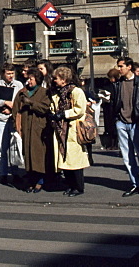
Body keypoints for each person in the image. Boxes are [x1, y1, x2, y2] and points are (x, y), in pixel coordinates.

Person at [111, 56, 139, 198]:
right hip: (122, 122)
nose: (119, 69)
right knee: (127, 156)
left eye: (121, 66)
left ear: (129, 67)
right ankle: (136, 183)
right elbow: (115, 102)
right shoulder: (118, 84)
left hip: (137, 123)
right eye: (119, 66)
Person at [49, 66, 89, 197]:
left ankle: (78, 187)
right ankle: (70, 185)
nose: (54, 80)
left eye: (56, 78)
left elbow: (80, 109)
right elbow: (53, 107)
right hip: (61, 130)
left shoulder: (76, 91)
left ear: (64, 79)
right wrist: (53, 114)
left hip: (72, 129)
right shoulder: (57, 93)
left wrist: (63, 114)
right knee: (65, 159)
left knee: (75, 161)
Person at [14, 69, 52, 193]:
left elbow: (45, 108)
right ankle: (31, 180)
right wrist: (17, 126)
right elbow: (16, 110)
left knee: (38, 155)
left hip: (38, 128)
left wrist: (31, 103)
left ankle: (40, 181)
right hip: (25, 128)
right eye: (28, 79)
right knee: (28, 154)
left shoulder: (44, 92)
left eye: (31, 78)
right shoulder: (22, 93)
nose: (29, 81)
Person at [0, 63, 25, 186]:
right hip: (0, 119)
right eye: (8, 73)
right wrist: (4, 102)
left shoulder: (18, 85)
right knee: (2, 148)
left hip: (13, 118)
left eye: (12, 73)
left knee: (14, 146)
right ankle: (3, 173)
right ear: (3, 74)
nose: (11, 76)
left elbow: (21, 101)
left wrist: (12, 108)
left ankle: (15, 172)